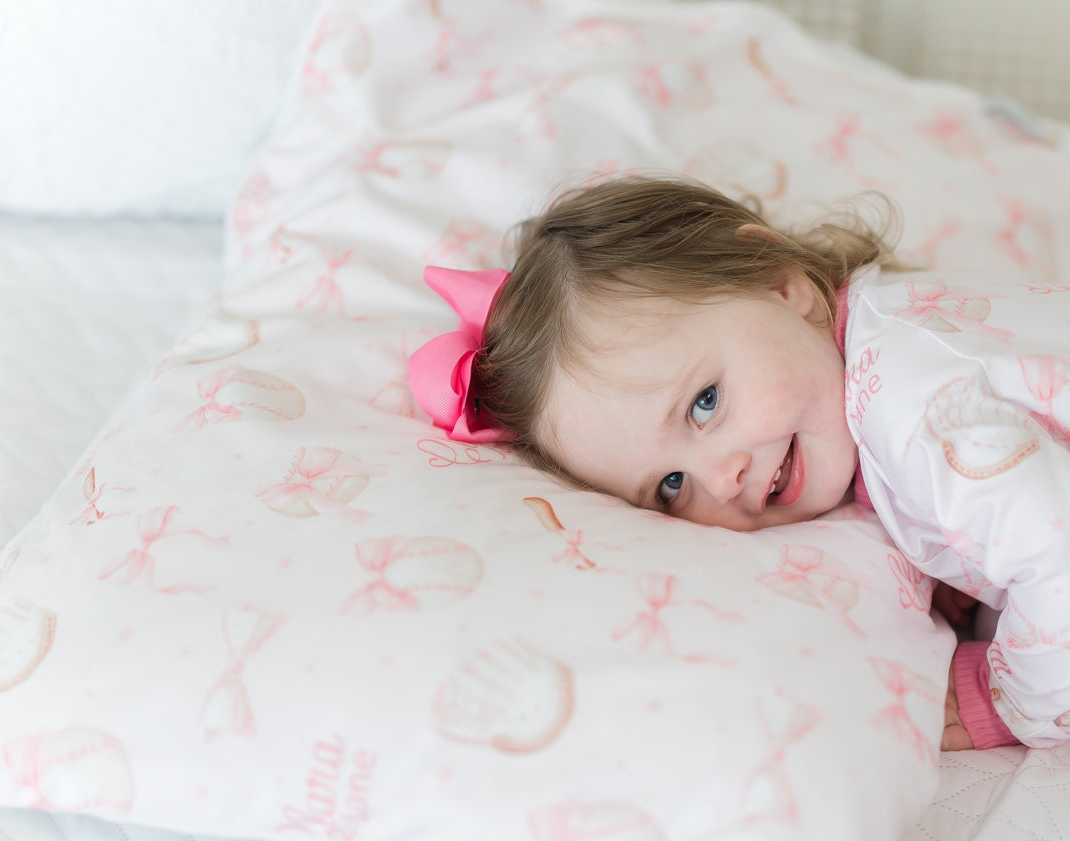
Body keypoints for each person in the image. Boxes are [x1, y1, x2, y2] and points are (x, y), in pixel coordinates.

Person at [408, 175, 1070, 752]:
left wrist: (1006, 697)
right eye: (671, 486)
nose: (720, 476)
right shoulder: (888, 325)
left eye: (704, 403)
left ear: (781, 286)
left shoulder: (906, 406)